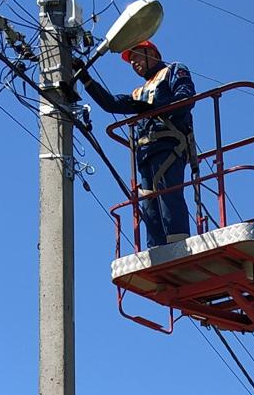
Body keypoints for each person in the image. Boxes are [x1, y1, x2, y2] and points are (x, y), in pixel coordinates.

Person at [74, 41, 195, 248]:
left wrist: (155, 108)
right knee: (149, 203)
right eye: (131, 61)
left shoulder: (172, 70)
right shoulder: (138, 92)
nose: (134, 63)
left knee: (168, 196)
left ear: (153, 54)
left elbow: (185, 99)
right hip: (145, 152)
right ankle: (156, 250)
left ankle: (179, 246)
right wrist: (86, 78)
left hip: (169, 145)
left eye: (137, 57)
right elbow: (111, 103)